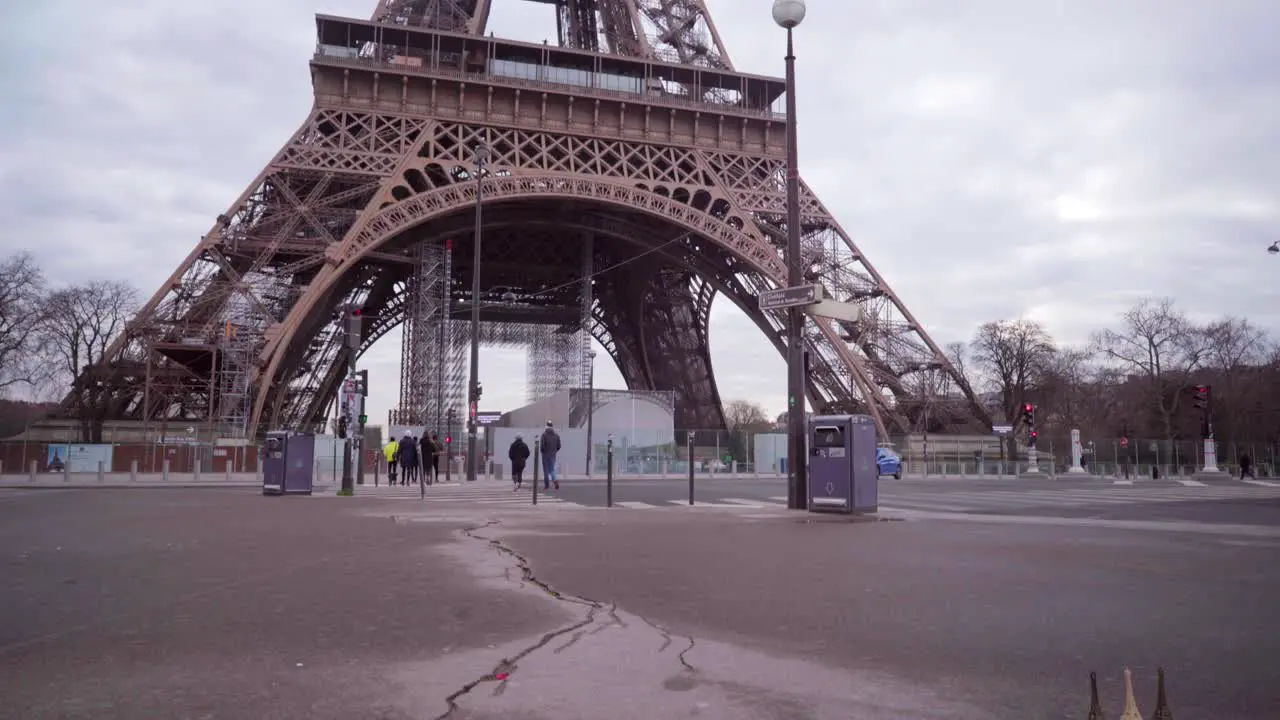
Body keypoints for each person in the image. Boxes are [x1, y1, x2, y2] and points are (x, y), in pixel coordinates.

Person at [539, 420, 562, 490]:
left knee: (546, 470)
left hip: (545, 455)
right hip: (553, 454)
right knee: (552, 469)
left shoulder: (544, 435)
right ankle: (555, 481)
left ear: (546, 426)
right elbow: (559, 446)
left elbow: (542, 446)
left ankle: (546, 485)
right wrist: (554, 450)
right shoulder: (556, 435)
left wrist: (542, 451)